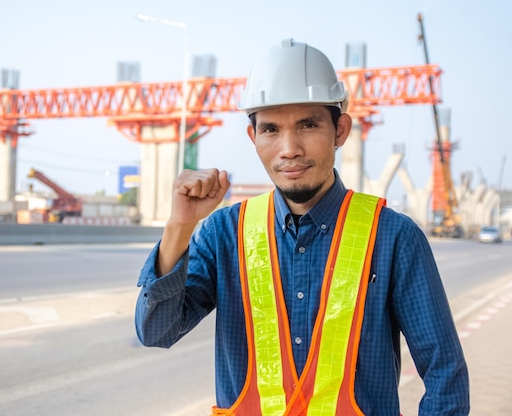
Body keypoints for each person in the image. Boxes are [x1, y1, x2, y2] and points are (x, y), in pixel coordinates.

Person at [135, 38, 469, 415]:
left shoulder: (393, 238)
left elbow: (445, 376)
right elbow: (156, 332)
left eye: (308, 125)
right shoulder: (223, 235)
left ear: (340, 130)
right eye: (271, 129)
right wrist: (180, 226)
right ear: (253, 137)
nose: (289, 147)